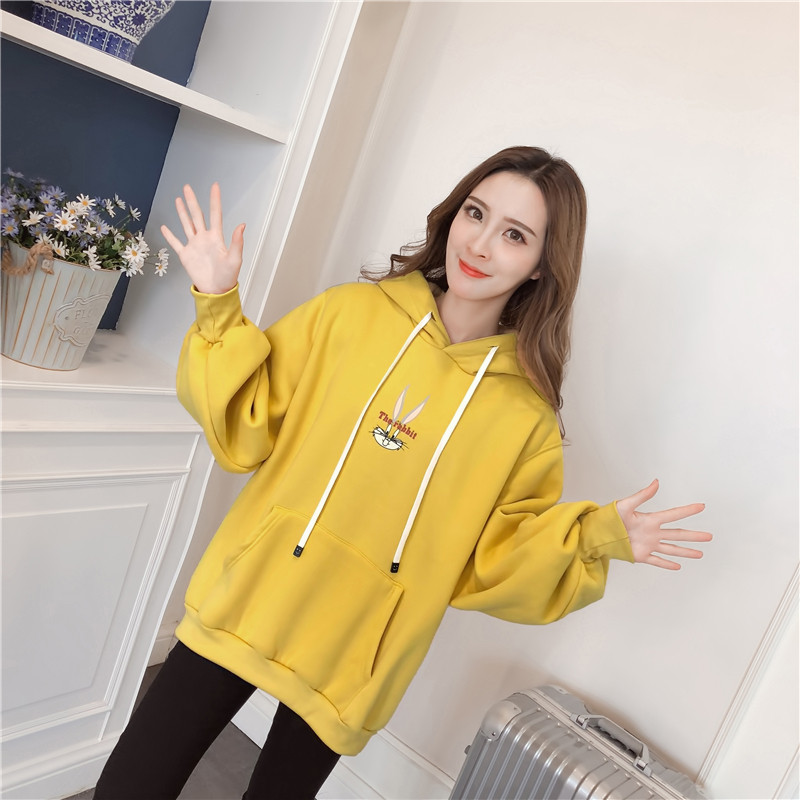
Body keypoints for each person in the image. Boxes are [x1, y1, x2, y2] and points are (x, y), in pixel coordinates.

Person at [94, 146, 711, 799]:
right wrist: (219, 302)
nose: (480, 244)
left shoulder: (524, 417)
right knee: (131, 787)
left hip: (360, 654)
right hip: (250, 596)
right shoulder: (348, 314)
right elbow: (245, 429)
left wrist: (595, 538)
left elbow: (495, 560)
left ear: (540, 266)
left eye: (515, 235)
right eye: (476, 213)